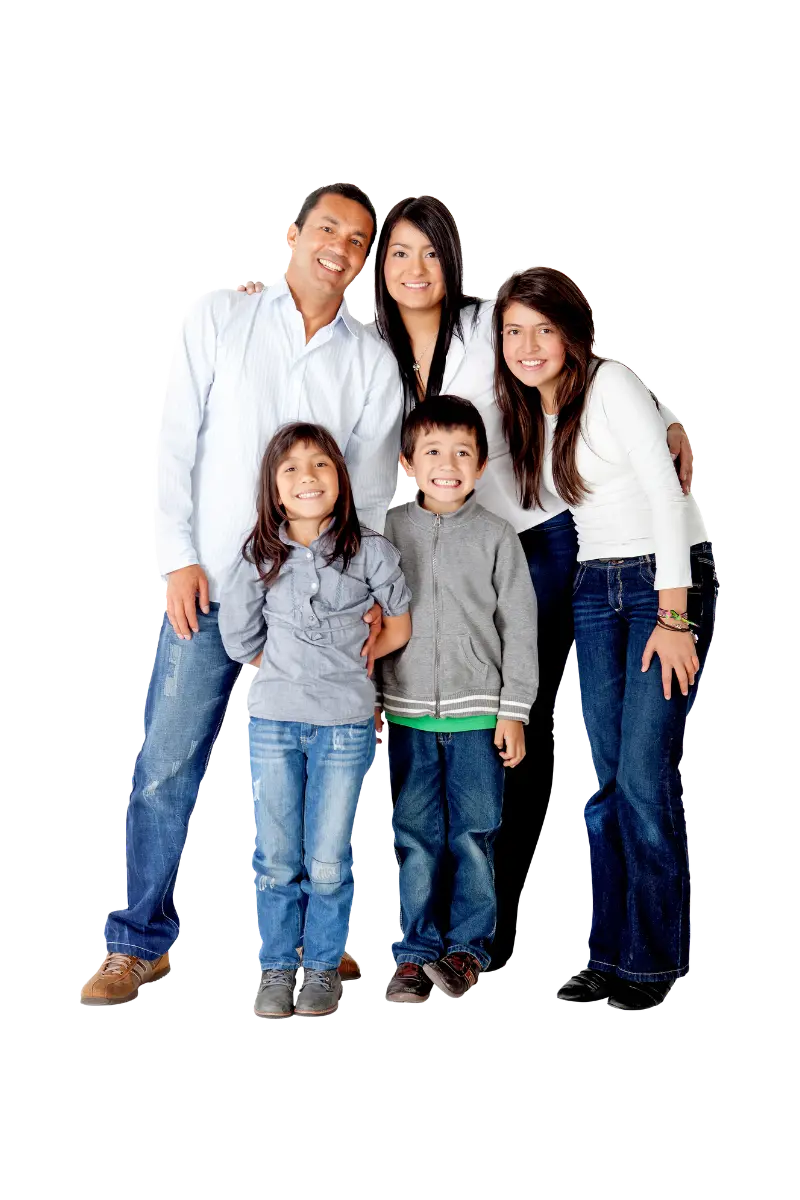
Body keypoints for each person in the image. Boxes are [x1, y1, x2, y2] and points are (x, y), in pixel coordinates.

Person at [237, 197, 695, 969]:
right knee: (428, 744)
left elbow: (578, 363)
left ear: (453, 263)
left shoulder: (491, 327)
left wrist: (671, 422)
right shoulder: (365, 344)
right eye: (398, 254)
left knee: (524, 729)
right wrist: (263, 297)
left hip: (534, 543)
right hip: (417, 547)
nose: (415, 270)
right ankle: (429, 935)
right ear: (379, 270)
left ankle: (500, 932)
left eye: (431, 253)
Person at [81, 183, 404, 1008]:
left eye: (358, 239)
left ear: (364, 261)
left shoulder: (368, 358)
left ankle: (321, 948)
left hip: (320, 614)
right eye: (327, 227)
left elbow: (368, 491)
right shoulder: (219, 316)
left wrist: (367, 596)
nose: (340, 246)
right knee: (166, 769)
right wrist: (176, 556)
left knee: (323, 773)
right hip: (214, 590)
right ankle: (139, 944)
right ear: (293, 233)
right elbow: (173, 435)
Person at [492, 266, 715, 1010]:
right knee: (610, 781)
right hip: (595, 589)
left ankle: (649, 966)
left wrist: (675, 617)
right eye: (512, 331)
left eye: (542, 329)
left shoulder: (610, 382)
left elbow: (662, 492)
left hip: (661, 583)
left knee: (645, 783)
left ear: (572, 331)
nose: (527, 345)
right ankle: (609, 956)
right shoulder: (535, 410)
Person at [219, 422, 411, 1017]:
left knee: (328, 859)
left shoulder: (370, 551)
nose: (307, 477)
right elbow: (237, 634)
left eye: (321, 464)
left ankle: (322, 967)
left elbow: (399, 622)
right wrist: (272, 661)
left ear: (341, 478)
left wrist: (350, 659)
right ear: (275, 490)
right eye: (291, 469)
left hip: (345, 727)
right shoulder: (259, 555)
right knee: (276, 857)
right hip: (275, 722)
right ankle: (276, 967)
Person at [379, 396, 538, 1003]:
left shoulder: (497, 537)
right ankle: (416, 953)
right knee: (416, 835)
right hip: (406, 711)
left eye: (463, 453)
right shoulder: (390, 529)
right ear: (408, 463)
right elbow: (373, 616)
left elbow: (519, 627)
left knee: (473, 834)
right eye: (433, 453)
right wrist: (371, 696)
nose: (448, 465)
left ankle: (467, 952)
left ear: (481, 464)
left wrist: (513, 711)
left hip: (479, 715)